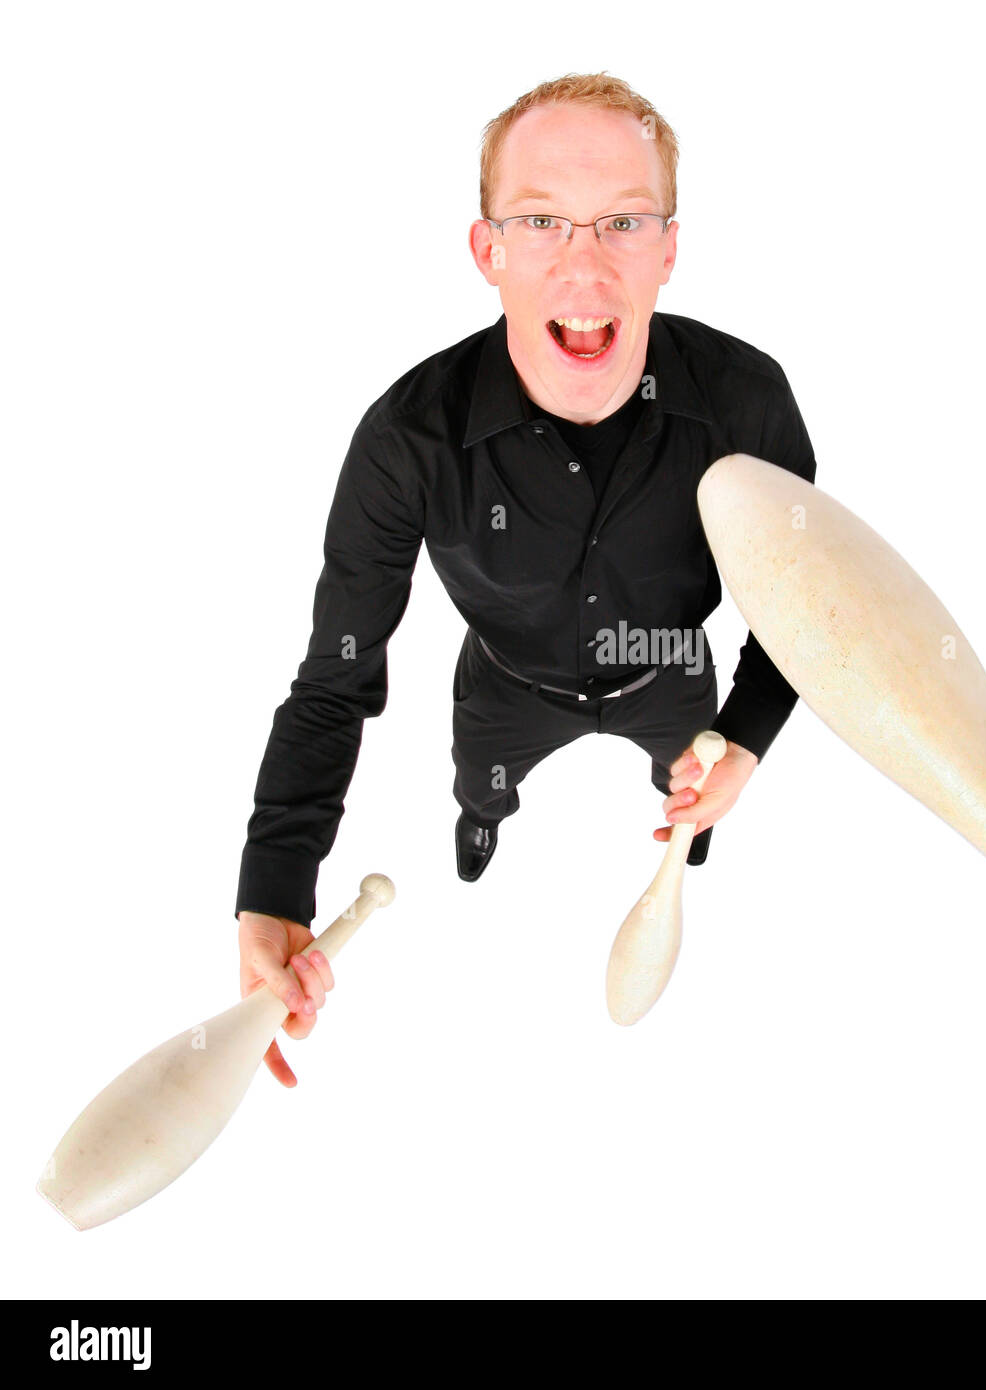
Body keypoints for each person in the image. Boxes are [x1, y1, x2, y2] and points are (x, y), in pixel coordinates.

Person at [234, 73, 817, 1086]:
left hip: (671, 676)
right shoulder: (405, 441)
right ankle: (480, 822)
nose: (584, 262)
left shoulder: (748, 402)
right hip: (504, 687)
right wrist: (271, 887)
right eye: (542, 219)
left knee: (686, 795)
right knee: (480, 788)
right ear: (487, 251)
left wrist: (748, 737)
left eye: (622, 221)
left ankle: (689, 820)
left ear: (668, 249)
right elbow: (335, 677)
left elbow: (807, 610)